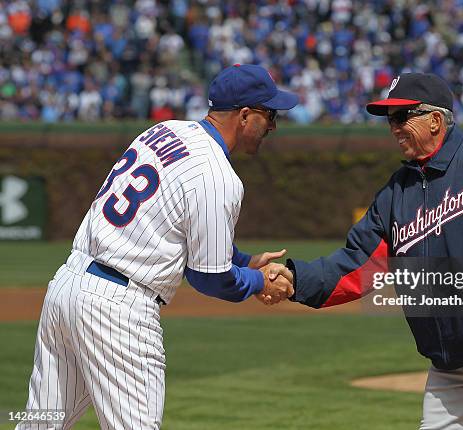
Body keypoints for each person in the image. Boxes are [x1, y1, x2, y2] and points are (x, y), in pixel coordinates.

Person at [267, 73, 463, 429]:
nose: (393, 128)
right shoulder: (397, 193)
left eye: (401, 117)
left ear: (435, 120)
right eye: (389, 119)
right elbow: (358, 262)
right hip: (449, 357)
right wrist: (297, 281)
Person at [17, 64, 297, 430]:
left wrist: (247, 262)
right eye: (269, 114)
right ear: (245, 115)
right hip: (117, 310)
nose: (273, 126)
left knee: (41, 423)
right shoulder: (218, 176)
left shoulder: (165, 131)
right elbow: (209, 278)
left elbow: (169, 229)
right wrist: (259, 282)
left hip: (67, 289)